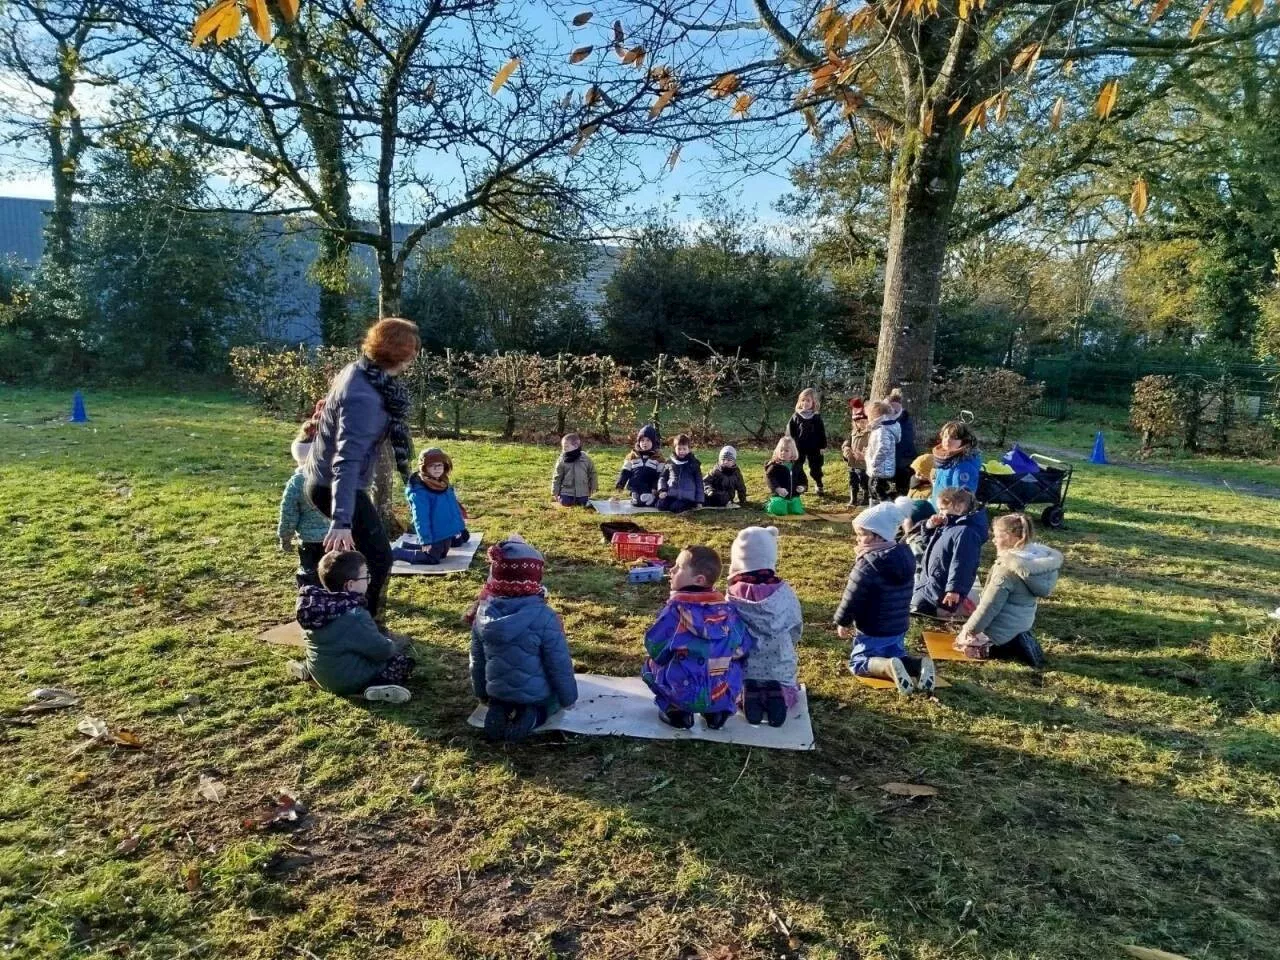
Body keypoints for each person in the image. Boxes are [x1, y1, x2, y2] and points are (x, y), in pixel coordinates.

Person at [303, 317, 420, 621]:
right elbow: (346, 459)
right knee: (379, 558)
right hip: (335, 486)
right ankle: (360, 625)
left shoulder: (360, 372)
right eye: (413, 350)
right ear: (404, 355)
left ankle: (343, 617)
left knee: (364, 557)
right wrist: (342, 519)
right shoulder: (364, 397)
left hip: (328, 481)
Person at [470, 536, 579, 742]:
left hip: (497, 690)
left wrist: (482, 694)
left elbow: (477, 660)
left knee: (502, 699)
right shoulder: (544, 616)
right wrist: (568, 699)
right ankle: (533, 717)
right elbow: (559, 664)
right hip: (535, 694)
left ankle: (498, 710)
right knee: (551, 701)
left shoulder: (481, 613)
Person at [641, 545, 753, 729]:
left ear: (699, 579)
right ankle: (717, 713)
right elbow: (743, 647)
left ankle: (676, 711)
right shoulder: (729, 611)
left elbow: (655, 646)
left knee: (649, 666)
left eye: (678, 567)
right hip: (720, 692)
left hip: (684, 694)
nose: (672, 570)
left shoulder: (675, 612)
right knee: (733, 664)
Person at [833, 502, 935, 695]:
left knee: (859, 661)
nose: (857, 539)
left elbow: (852, 597)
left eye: (861, 534)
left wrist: (842, 622)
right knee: (895, 653)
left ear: (877, 535)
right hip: (898, 625)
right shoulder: (905, 556)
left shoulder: (867, 565)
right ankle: (919, 664)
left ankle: (887, 667)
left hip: (873, 627)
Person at [288, 550, 415, 703]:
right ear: (350, 585)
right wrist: (392, 644)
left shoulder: (314, 605)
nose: (369, 580)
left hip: (320, 673)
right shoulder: (355, 616)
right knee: (401, 662)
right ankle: (372, 689)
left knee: (328, 652)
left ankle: (307, 672)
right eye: (366, 576)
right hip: (346, 682)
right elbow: (382, 651)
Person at [957, 513, 1061, 668]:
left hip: (1000, 632)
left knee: (962, 646)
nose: (993, 540)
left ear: (1012, 537)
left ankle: (1004, 647)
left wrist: (969, 630)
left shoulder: (1006, 569)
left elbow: (989, 606)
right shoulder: (1040, 559)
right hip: (1022, 625)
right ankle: (1016, 641)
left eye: (998, 536)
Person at [727, 526, 803, 727]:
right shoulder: (785, 592)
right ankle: (780, 695)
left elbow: (725, 628)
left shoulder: (732, 594)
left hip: (744, 665)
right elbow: (796, 625)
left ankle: (747, 693)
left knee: (736, 682)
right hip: (780, 664)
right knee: (784, 684)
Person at [911, 487, 989, 619]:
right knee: (914, 606)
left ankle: (959, 608)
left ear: (958, 507)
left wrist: (954, 590)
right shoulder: (948, 524)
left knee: (927, 612)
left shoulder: (965, 532)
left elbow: (963, 564)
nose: (940, 513)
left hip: (944, 589)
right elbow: (928, 543)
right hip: (930, 582)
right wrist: (929, 527)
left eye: (942, 509)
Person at [395, 448, 469, 566]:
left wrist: (458, 528)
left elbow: (453, 507)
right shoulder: (419, 491)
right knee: (432, 558)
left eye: (439, 465)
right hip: (432, 533)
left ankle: (408, 546)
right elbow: (420, 518)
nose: (437, 468)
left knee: (444, 553)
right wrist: (425, 540)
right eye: (432, 465)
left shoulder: (443, 482)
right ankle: (398, 553)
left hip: (444, 530)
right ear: (424, 467)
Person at [278, 440, 330, 587]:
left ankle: (311, 596)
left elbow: (288, 513)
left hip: (309, 540)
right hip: (334, 537)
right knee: (334, 568)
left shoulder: (296, 482)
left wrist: (285, 537)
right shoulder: (331, 477)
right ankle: (335, 594)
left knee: (310, 571)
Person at [930, 421, 983, 507]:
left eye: (954, 438)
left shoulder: (963, 466)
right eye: (945, 436)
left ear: (964, 441)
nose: (947, 440)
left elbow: (960, 500)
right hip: (937, 507)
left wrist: (945, 514)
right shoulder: (945, 459)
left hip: (948, 513)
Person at [787, 387, 828, 496]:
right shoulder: (796, 416)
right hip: (798, 448)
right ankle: (800, 485)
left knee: (816, 468)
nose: (805, 403)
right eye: (803, 400)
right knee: (797, 467)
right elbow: (790, 433)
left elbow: (821, 432)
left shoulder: (816, 417)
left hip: (814, 448)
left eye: (808, 400)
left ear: (813, 402)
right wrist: (790, 446)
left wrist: (823, 446)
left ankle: (819, 484)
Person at [615, 424, 664, 507]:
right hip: (635, 487)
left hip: (650, 488)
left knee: (647, 501)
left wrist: (655, 487)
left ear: (653, 442)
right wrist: (620, 484)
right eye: (642, 440)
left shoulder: (658, 458)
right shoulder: (632, 456)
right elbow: (625, 471)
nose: (645, 443)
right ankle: (636, 497)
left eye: (648, 440)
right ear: (639, 442)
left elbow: (660, 475)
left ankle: (652, 498)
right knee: (637, 503)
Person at [864, 400, 901, 504]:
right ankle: (873, 509)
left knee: (877, 488)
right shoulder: (878, 428)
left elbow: (883, 448)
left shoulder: (883, 429)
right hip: (878, 467)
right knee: (872, 488)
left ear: (875, 415)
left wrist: (875, 461)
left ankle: (886, 507)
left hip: (881, 467)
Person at [657, 434, 703, 514]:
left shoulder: (694, 463)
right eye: (679, 449)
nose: (681, 451)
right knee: (660, 505)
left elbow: (699, 482)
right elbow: (662, 477)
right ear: (675, 449)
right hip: (672, 493)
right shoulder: (670, 462)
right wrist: (662, 490)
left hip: (687, 497)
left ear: (689, 449)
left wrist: (699, 500)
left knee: (675, 508)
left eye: (684, 449)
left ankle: (688, 506)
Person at [885, 388, 918, 496]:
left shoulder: (902, 421)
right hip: (895, 461)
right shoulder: (891, 421)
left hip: (902, 461)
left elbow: (903, 442)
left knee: (901, 490)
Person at [764, 436, 808, 516]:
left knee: (797, 511)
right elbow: (769, 477)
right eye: (781, 450)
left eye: (786, 451)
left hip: (793, 496)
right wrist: (777, 489)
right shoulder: (775, 466)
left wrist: (802, 487)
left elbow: (803, 479)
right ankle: (769, 504)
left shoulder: (797, 466)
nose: (783, 453)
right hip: (779, 496)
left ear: (793, 452)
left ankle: (789, 504)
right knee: (780, 510)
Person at [552, 432, 598, 507]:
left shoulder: (585, 458)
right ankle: (564, 499)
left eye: (566, 446)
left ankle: (583, 500)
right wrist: (555, 492)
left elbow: (592, 473)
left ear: (576, 446)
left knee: (583, 504)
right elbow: (557, 476)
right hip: (567, 491)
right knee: (565, 502)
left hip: (582, 491)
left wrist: (594, 486)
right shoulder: (562, 459)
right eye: (563, 447)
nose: (564, 449)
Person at [841, 401, 871, 508]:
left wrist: (865, 453)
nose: (862, 424)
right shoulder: (853, 433)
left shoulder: (870, 434)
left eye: (864, 421)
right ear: (855, 423)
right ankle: (853, 498)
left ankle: (866, 497)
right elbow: (846, 444)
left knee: (864, 481)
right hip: (852, 463)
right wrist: (846, 450)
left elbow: (871, 447)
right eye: (859, 422)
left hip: (863, 464)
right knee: (853, 481)